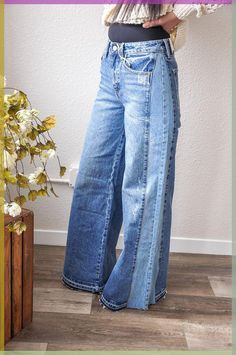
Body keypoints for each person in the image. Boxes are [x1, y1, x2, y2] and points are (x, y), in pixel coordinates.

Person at [62, 2, 224, 311]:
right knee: (95, 174)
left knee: (143, 184)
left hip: (149, 59)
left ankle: (131, 290)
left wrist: (181, 13)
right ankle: (87, 275)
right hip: (112, 59)